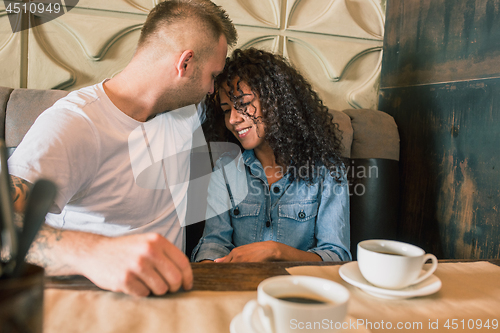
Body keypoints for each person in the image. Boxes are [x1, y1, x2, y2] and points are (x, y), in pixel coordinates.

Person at [8, 0, 237, 297]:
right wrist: (93, 252)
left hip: (174, 298)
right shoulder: (76, 124)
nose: (211, 90)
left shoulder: (185, 108)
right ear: (185, 64)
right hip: (97, 302)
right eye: (212, 76)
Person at [192, 48, 351, 263]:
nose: (233, 119)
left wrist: (277, 252)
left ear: (277, 101)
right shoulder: (226, 168)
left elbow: (336, 256)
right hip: (239, 287)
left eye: (244, 104)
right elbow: (214, 242)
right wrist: (209, 266)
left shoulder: (327, 170)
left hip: (299, 290)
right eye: (227, 109)